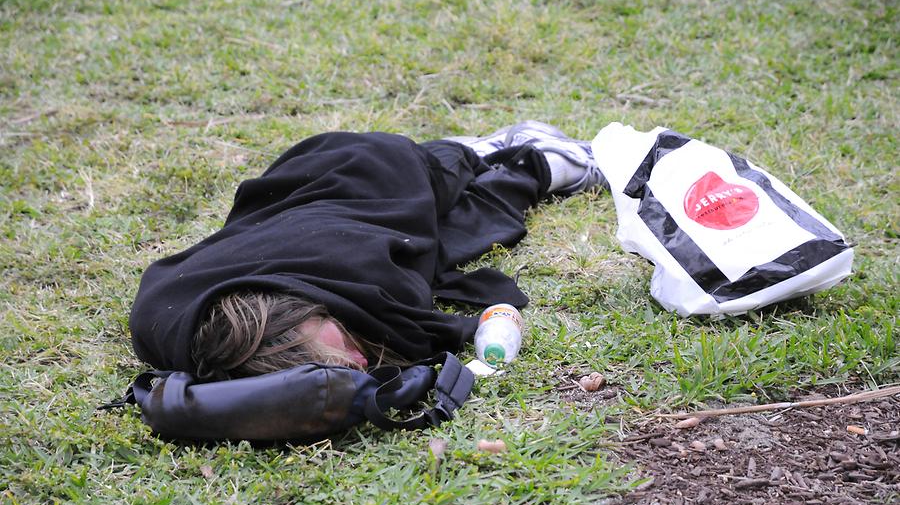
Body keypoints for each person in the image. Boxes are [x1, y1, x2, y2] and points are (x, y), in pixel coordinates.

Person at [129, 121, 605, 382]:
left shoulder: (359, 276)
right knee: (458, 231)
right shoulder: (201, 348)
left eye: (334, 353)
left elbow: (421, 326)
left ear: (298, 316)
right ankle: (528, 159)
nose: (359, 364)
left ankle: (489, 148)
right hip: (308, 210)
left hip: (353, 172)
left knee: (439, 178)